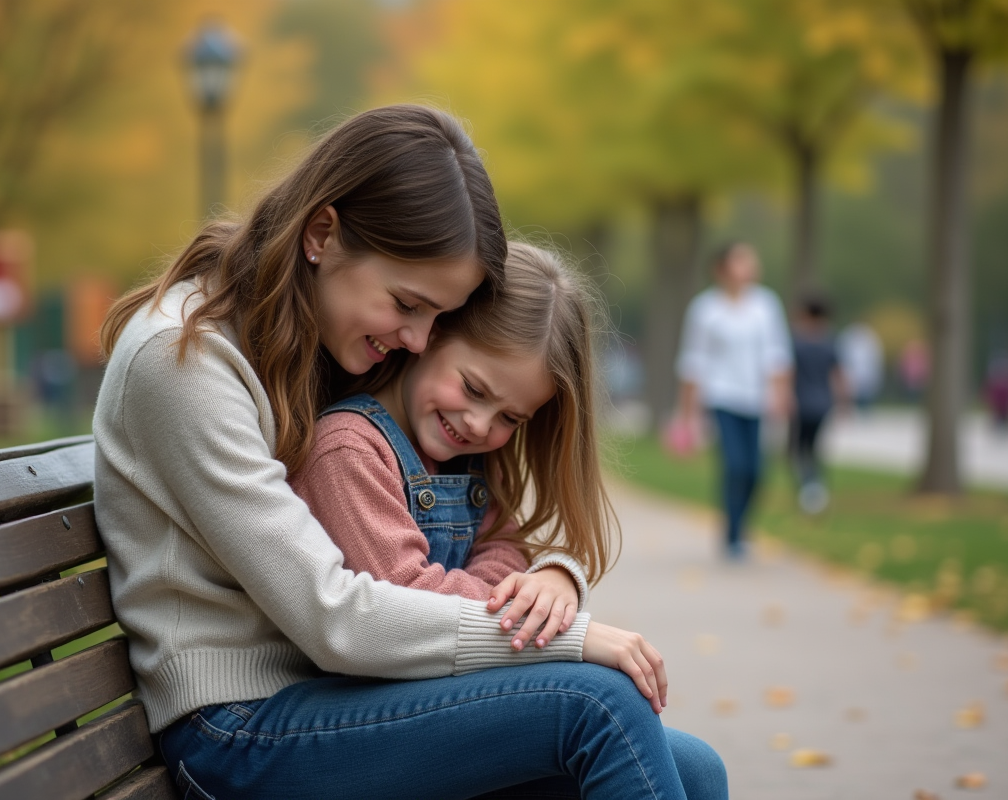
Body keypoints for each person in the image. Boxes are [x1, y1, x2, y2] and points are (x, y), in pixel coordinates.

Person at [94, 106, 726, 799]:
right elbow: (335, 617)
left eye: (436, 318)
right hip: (240, 730)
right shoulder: (184, 361)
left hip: (341, 697)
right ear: (322, 235)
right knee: (598, 706)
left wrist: (556, 575)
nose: (419, 342)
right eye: (407, 304)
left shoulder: (317, 334)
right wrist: (567, 637)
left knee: (694, 769)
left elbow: (493, 536)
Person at [290, 243, 611, 655]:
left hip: (440, 669)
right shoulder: (348, 450)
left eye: (510, 418)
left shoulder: (469, 462)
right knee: (603, 686)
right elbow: (407, 599)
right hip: (366, 683)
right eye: (474, 389)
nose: (480, 425)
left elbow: (504, 549)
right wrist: (512, 603)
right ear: (432, 333)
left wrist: (554, 577)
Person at [675, 242, 792, 558]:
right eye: (742, 262)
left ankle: (741, 525)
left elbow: (777, 355)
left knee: (756, 470)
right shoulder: (705, 309)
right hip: (721, 397)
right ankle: (732, 534)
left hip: (757, 399)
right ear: (722, 269)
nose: (750, 268)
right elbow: (693, 362)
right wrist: (687, 415)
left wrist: (782, 394)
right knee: (735, 464)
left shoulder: (766, 305)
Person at [789, 295, 848, 515]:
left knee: (798, 450)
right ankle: (816, 488)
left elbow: (790, 373)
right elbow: (838, 375)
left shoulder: (797, 342)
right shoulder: (829, 341)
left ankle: (808, 490)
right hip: (823, 404)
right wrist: (844, 402)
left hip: (801, 404)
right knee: (813, 449)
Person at [837, 321, 883, 411]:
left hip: (866, 378)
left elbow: (874, 360)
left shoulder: (869, 338)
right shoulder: (848, 338)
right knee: (852, 404)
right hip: (851, 378)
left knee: (865, 403)